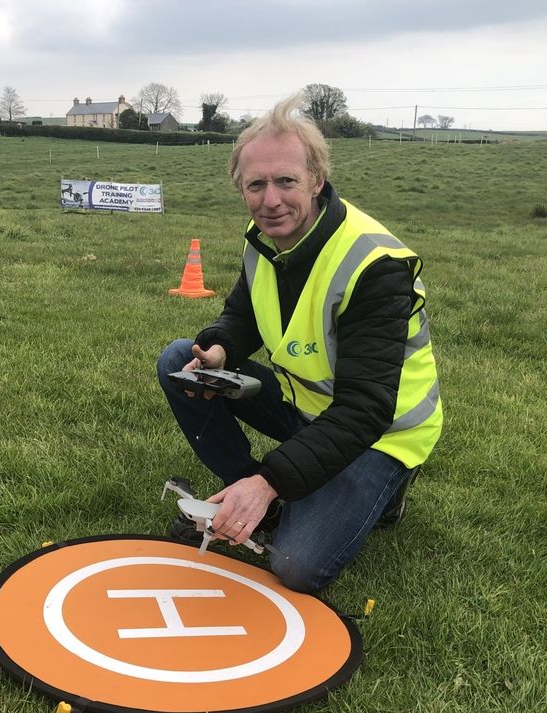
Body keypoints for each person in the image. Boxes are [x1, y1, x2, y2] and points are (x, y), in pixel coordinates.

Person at [157, 95, 442, 594]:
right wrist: (221, 348)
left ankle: (386, 490)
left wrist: (271, 481)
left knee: (294, 566)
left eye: (286, 181)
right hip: (303, 407)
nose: (271, 200)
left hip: (380, 433)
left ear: (316, 179)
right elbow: (243, 314)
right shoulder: (264, 237)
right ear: (239, 187)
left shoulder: (376, 265)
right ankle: (251, 496)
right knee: (180, 361)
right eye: (256, 184)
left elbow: (365, 409)